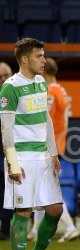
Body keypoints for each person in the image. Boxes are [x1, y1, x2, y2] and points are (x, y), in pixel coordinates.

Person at [0, 38, 63, 250]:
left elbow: (46, 120)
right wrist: (13, 163)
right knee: (23, 211)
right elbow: (5, 128)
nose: (43, 60)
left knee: (55, 209)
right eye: (39, 56)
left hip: (43, 157)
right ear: (25, 59)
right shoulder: (10, 87)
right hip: (23, 158)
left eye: (43, 55)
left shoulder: (40, 82)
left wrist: (53, 152)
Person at [28, 57, 79, 243]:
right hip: (58, 144)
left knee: (49, 192)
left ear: (45, 71)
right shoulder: (62, 90)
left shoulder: (50, 91)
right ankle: (37, 231)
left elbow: (44, 118)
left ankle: (70, 227)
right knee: (43, 191)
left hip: (49, 146)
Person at [0, 61, 13, 240]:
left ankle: (6, 229)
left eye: (5, 76)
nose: (2, 79)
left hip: (11, 149)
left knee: (9, 189)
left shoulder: (15, 94)